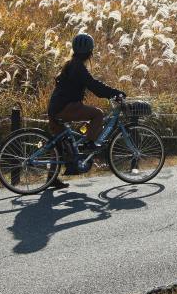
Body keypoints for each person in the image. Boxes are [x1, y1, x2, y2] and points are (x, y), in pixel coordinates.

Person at [47, 33, 125, 185]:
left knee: (59, 143)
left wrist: (110, 92)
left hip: (55, 107)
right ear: (90, 52)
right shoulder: (78, 67)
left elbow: (91, 85)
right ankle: (89, 144)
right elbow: (94, 86)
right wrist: (116, 93)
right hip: (66, 107)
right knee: (97, 114)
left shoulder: (71, 64)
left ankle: (52, 178)